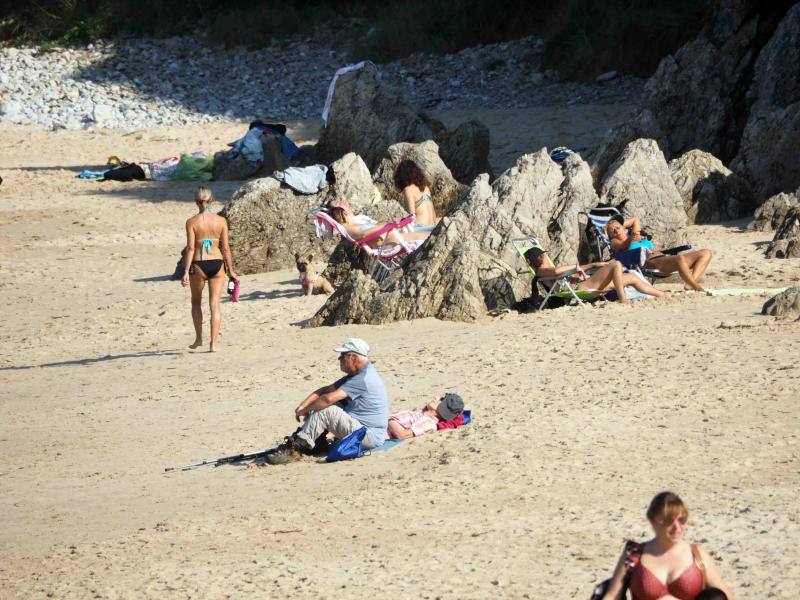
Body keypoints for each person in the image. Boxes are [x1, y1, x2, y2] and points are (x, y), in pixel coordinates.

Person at [265, 337, 389, 465]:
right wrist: (302, 407)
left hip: (368, 437)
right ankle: (317, 442)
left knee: (326, 408)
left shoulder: (363, 378)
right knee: (322, 405)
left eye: (343, 355)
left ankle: (295, 449)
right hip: (363, 431)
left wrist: (306, 410)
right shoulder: (358, 375)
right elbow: (325, 390)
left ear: (353, 358)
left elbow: (328, 398)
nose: (339, 359)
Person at [601, 492, 734, 600]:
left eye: (682, 520)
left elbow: (725, 597)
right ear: (653, 521)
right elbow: (612, 595)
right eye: (669, 521)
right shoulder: (634, 554)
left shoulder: (697, 555)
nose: (677, 527)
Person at [181, 187, 238, 352]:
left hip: (199, 264)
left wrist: (186, 271)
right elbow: (225, 248)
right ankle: (213, 344)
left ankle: (199, 339)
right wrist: (231, 270)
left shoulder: (191, 222)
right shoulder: (221, 221)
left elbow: (191, 248)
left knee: (196, 302)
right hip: (217, 264)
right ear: (212, 200)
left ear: (196, 201)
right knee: (215, 305)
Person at [524, 247, 670, 305]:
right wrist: (576, 267)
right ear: (542, 256)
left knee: (631, 277)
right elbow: (557, 272)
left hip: (585, 283)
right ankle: (623, 299)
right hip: (581, 287)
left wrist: (593, 265)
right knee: (616, 264)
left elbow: (568, 270)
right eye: (544, 255)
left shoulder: (547, 269)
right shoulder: (542, 271)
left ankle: (662, 294)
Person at [606, 215, 713, 292]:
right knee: (679, 259)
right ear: (610, 235)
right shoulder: (614, 242)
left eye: (617, 227)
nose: (615, 230)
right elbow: (622, 246)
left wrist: (620, 225)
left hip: (663, 258)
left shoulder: (636, 238)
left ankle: (689, 284)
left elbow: (635, 219)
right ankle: (696, 287)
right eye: (612, 230)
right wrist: (628, 236)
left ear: (623, 227)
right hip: (650, 263)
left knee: (705, 253)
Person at [328, 205, 429, 248]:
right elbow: (363, 234)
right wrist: (387, 225)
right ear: (344, 213)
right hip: (391, 240)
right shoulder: (349, 229)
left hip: (392, 236)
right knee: (430, 236)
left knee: (429, 232)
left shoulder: (350, 227)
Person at [387, 393, 464, 440]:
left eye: (441, 399)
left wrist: (388, 421)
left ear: (443, 408)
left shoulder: (428, 423)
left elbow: (402, 435)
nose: (436, 397)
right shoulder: (423, 414)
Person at [393, 159, 438, 231]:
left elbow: (411, 216)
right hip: (432, 227)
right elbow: (433, 213)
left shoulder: (408, 189)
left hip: (420, 228)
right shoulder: (426, 188)